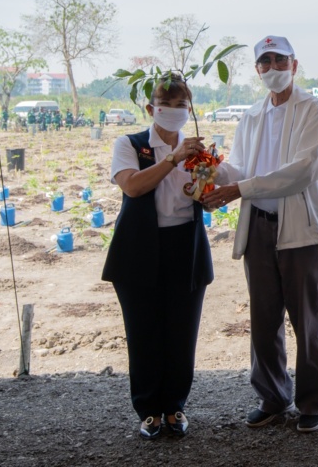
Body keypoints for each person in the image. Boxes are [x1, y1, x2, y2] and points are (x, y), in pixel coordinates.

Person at [203, 35, 318, 434]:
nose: (273, 68)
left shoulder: (313, 110)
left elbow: (303, 171)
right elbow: (240, 169)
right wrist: (209, 168)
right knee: (263, 319)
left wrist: (238, 189)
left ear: (294, 65)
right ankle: (272, 397)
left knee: (307, 321)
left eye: (280, 60)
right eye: (265, 62)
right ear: (257, 70)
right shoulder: (252, 116)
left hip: (301, 230)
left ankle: (311, 401)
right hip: (259, 225)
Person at [101, 74, 213, 439]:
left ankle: (175, 407)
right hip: (139, 249)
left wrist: (209, 182)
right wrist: (173, 159)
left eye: (182, 105)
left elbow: (203, 195)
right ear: (151, 109)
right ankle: (148, 409)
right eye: (166, 105)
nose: (174, 111)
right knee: (143, 331)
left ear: (189, 109)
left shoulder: (197, 150)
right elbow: (132, 187)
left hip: (186, 246)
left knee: (182, 331)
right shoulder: (130, 144)